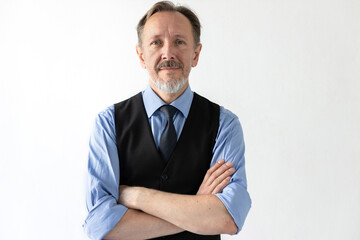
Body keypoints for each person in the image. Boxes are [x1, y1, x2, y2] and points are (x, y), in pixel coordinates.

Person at [83, 1, 251, 239]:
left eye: (180, 42)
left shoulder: (225, 125)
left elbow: (229, 217)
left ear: (196, 54)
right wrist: (198, 208)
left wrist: (138, 197)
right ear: (141, 56)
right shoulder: (109, 123)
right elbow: (99, 226)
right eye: (156, 42)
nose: (168, 53)